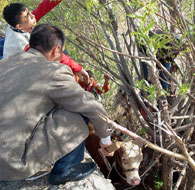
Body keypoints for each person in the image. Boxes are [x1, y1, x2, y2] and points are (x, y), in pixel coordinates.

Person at [0, 24, 114, 185]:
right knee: (78, 109)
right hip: (10, 164)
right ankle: (66, 169)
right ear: (56, 50)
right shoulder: (53, 71)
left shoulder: (7, 61)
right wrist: (106, 139)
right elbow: (93, 107)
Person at [2, 0, 89, 83]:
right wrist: (77, 68)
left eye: (29, 12)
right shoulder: (21, 44)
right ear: (19, 26)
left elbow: (41, 10)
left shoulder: (16, 26)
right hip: (21, 81)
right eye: (27, 15)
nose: (32, 16)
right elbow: (51, 53)